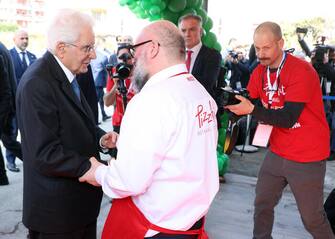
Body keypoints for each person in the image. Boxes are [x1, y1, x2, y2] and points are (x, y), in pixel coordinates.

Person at [79, 20, 219, 238]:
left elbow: (129, 181)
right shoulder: (199, 92)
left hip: (157, 228)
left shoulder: (151, 100)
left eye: (135, 49)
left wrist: (97, 171)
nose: (133, 58)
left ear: (153, 48)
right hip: (189, 223)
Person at [225, 21, 334, 239]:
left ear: (281, 43)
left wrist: (251, 109)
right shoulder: (259, 71)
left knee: (312, 218)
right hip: (278, 150)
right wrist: (231, 105)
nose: (261, 54)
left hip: (307, 155)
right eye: (257, 48)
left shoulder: (301, 70)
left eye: (266, 48)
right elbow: (251, 100)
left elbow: (286, 118)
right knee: (262, 203)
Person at [16, 9, 116, 239]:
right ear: (62, 48)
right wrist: (91, 168)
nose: (93, 55)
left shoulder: (66, 74)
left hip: (76, 209)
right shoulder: (37, 83)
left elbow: (75, 122)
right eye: (87, 48)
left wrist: (100, 137)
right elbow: (44, 152)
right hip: (57, 216)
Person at [5, 29, 36, 172]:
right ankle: (10, 161)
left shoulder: (33, 57)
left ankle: (30, 157)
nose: (25, 41)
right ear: (14, 39)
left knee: (29, 131)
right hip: (13, 103)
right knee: (12, 131)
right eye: (22, 38)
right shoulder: (8, 55)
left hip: (30, 103)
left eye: (26, 38)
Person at [178, 14, 222, 99]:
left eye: (192, 29)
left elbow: (206, 85)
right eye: (183, 30)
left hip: (200, 106)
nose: (187, 34)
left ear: (201, 32)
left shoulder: (213, 55)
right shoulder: (174, 55)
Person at [0, 41, 23, 176]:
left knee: (9, 141)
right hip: (7, 105)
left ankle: (34, 163)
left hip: (6, 107)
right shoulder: (3, 47)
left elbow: (5, 87)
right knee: (9, 141)